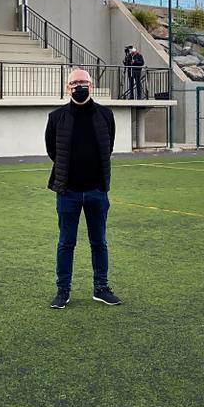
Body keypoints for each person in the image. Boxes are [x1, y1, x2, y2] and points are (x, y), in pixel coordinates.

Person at [45, 68, 121, 309]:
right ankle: (63, 290)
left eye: (83, 82)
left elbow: (107, 148)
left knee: (99, 241)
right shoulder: (56, 117)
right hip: (68, 191)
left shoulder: (105, 115)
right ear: (67, 88)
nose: (79, 86)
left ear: (92, 86)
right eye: (74, 83)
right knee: (66, 242)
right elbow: (52, 151)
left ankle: (101, 287)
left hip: (98, 191)